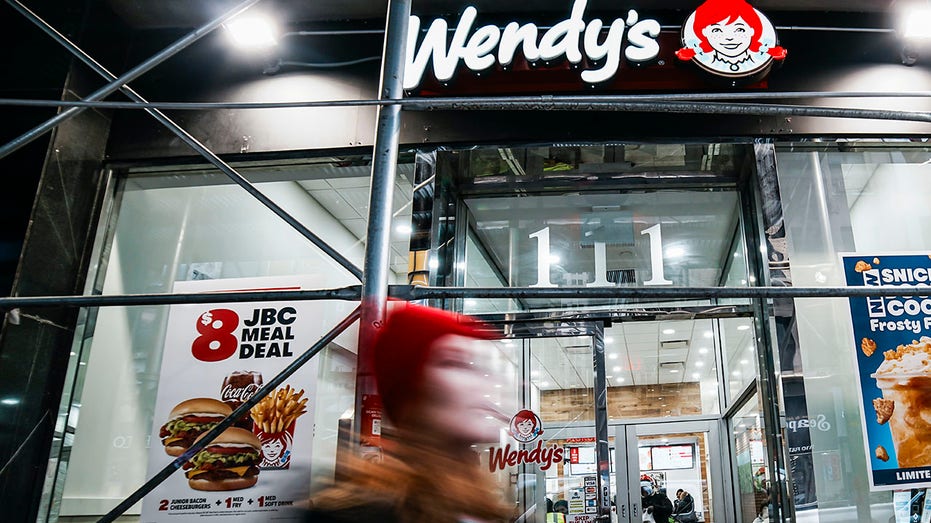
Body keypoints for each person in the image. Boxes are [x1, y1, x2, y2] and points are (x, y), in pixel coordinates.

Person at [305, 303, 513, 523]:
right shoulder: (360, 514)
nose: (482, 384)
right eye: (455, 363)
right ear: (413, 387)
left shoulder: (475, 504)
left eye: (481, 368)